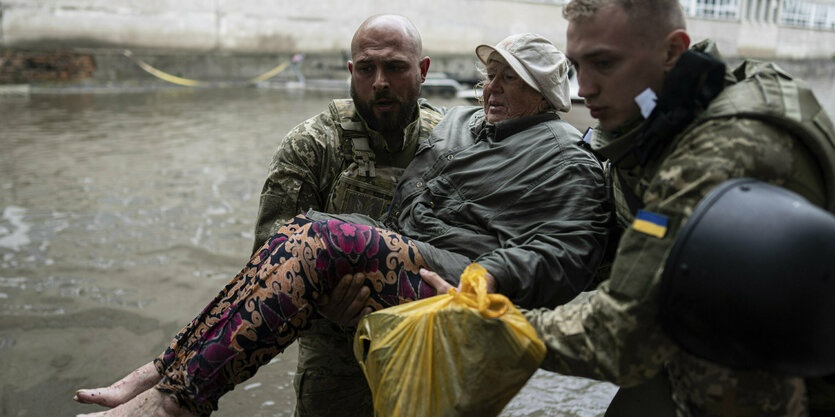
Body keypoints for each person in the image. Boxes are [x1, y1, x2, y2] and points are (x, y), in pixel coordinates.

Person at [74, 33, 611, 416]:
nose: (491, 88)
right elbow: (268, 251)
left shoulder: (567, 157)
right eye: (489, 75)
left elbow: (567, 255)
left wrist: (485, 276)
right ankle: (167, 369)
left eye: (510, 80)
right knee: (302, 231)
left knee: (325, 237)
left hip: (449, 289)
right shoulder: (458, 126)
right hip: (355, 311)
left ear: (544, 94)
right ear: (349, 70)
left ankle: (174, 404)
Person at [422, 1, 835, 416]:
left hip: (772, 379)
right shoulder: (658, 121)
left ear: (673, 51)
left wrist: (489, 323)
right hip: (698, 333)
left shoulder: (720, 154)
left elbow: (620, 335)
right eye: (578, 65)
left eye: (604, 63)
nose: (584, 88)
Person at [74, 14, 444, 417]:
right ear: (351, 70)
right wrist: (326, 306)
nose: (380, 83)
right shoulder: (312, 145)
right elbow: (268, 264)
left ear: (422, 71)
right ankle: (167, 386)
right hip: (338, 356)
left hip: (422, 341)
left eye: (395, 67)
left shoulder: (450, 144)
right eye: (367, 69)